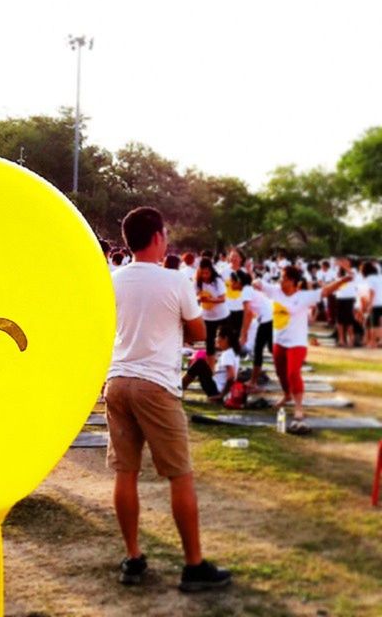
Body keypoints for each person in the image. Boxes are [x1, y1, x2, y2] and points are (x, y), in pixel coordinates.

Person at [105, 206, 231, 591]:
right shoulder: (175, 281)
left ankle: (133, 557)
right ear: (158, 237)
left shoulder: (111, 279)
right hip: (156, 384)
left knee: (125, 472)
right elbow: (196, 334)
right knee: (180, 475)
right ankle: (193, 565)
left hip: (118, 380)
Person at [253, 264, 353, 433]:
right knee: (280, 373)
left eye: (284, 278)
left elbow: (326, 291)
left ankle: (299, 407)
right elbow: (259, 283)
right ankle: (287, 395)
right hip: (279, 341)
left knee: (293, 373)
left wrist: (342, 280)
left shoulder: (304, 297)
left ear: (292, 281)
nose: (281, 280)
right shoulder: (275, 291)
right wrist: (256, 281)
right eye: (281, 277)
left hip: (297, 343)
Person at [182, 325, 240, 402]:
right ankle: (181, 387)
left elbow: (231, 377)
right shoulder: (233, 353)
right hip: (219, 389)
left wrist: (221, 396)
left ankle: (179, 388)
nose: (216, 340)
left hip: (217, 391)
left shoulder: (227, 354)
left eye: (218, 337)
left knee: (200, 363)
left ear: (225, 338)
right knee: (202, 363)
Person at [195, 258, 229, 368]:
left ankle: (227, 366)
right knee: (209, 343)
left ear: (211, 271)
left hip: (222, 315)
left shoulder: (217, 281)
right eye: (202, 273)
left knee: (225, 341)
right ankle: (211, 369)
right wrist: (199, 298)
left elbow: (223, 299)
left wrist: (209, 300)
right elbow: (194, 296)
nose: (205, 275)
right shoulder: (197, 282)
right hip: (207, 317)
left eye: (207, 273)